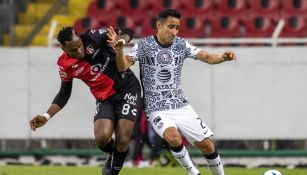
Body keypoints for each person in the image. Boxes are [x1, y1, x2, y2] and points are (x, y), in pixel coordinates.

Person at [112, 9, 236, 175]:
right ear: (159, 25)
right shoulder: (143, 45)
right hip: (156, 107)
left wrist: (223, 57)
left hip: (180, 105)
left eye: (177, 28)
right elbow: (122, 66)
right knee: (174, 138)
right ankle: (193, 172)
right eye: (171, 27)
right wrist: (120, 49)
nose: (174, 32)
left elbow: (206, 56)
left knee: (207, 146)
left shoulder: (181, 44)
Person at [29, 26, 142, 175]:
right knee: (102, 138)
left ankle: (114, 166)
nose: (79, 52)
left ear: (81, 40)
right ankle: (117, 154)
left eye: (79, 46)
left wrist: (120, 41)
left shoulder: (94, 37)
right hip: (104, 98)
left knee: (122, 138)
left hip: (127, 89)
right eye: (73, 51)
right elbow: (64, 94)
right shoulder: (64, 65)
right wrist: (46, 116)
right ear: (63, 49)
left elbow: (127, 30)